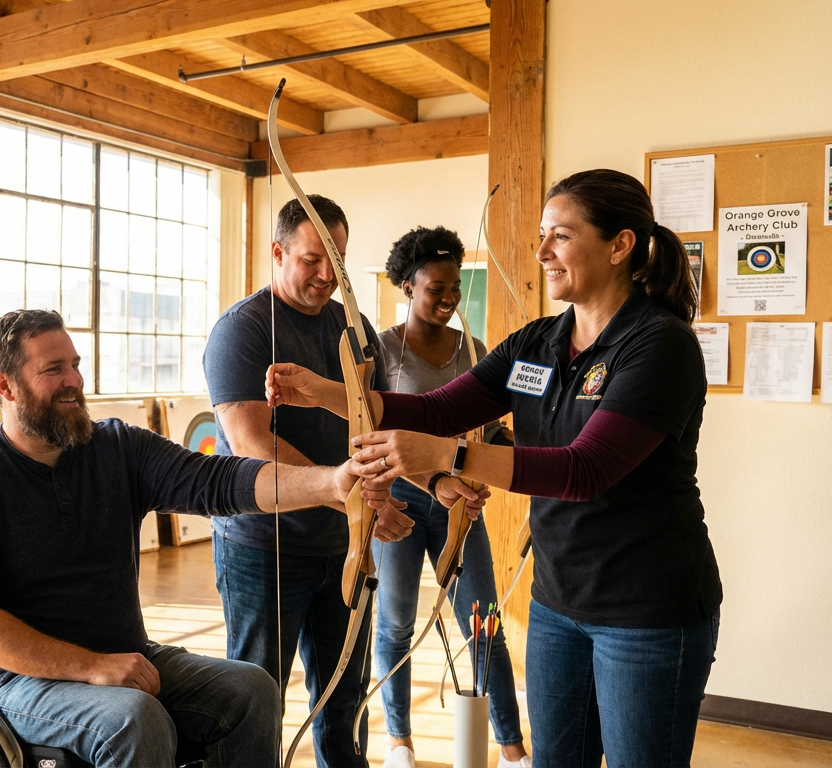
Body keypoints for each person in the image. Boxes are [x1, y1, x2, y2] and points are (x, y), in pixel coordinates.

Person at [268, 170, 722, 768]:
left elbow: (583, 470)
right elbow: (439, 407)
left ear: (620, 245)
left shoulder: (659, 346)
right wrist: (328, 393)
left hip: (647, 611)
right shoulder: (537, 344)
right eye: (542, 235)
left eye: (561, 235)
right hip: (560, 603)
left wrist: (448, 456)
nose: (541, 253)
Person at [0, 309, 412, 768]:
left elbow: (219, 481)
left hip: (122, 657)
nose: (74, 380)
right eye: (53, 369)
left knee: (252, 690)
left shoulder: (116, 446)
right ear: (5, 385)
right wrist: (94, 667)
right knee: (132, 720)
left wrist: (331, 484)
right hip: (12, 682)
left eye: (75, 365)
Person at [201, 195, 386, 767]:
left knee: (344, 701)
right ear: (277, 252)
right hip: (264, 546)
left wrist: (426, 481)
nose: (328, 275)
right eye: (312, 260)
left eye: (339, 261)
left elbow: (381, 419)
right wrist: (345, 492)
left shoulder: (354, 328)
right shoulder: (243, 329)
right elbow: (252, 446)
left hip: (345, 542)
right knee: (257, 697)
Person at [371, 226, 529, 768]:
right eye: (435, 288)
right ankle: (399, 742)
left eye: (454, 287)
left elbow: (489, 428)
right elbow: (377, 433)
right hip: (399, 504)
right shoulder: (383, 349)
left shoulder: (475, 350)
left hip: (461, 508)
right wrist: (429, 480)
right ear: (408, 287)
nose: (448, 299)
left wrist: (512, 448)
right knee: (394, 624)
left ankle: (511, 749)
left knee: (483, 623)